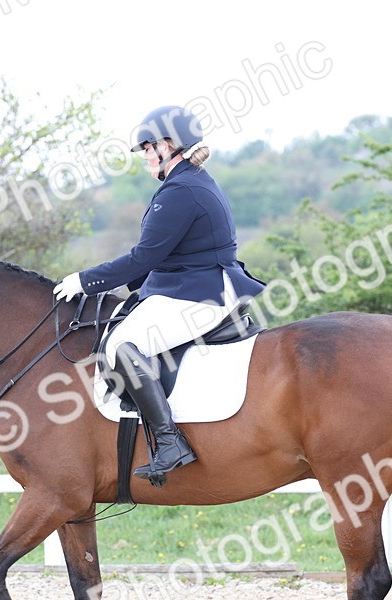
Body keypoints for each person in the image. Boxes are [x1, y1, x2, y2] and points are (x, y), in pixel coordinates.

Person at [54, 105, 266, 486]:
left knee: (121, 343)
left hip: (200, 294)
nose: (146, 157)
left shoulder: (182, 190)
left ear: (169, 145)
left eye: (149, 148)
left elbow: (144, 257)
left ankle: (170, 442)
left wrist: (85, 281)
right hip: (195, 286)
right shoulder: (192, 181)